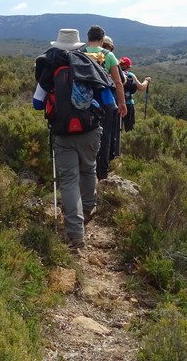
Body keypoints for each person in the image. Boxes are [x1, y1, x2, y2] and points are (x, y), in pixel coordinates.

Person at [33, 29, 117, 250]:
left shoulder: (49, 68)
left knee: (69, 180)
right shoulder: (90, 64)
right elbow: (109, 101)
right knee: (88, 168)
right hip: (89, 129)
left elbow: (37, 103)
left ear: (57, 45)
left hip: (62, 132)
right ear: (78, 45)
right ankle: (89, 207)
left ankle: (75, 234)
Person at [84, 26, 126, 180]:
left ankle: (87, 169)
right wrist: (122, 103)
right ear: (102, 40)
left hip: (84, 102)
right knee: (105, 135)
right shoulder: (108, 55)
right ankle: (102, 173)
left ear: (88, 38)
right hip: (104, 101)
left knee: (85, 134)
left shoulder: (80, 53)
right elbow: (118, 82)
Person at [119, 57, 151, 131]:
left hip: (117, 103)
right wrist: (146, 81)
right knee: (130, 128)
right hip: (128, 104)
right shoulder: (130, 75)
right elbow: (141, 87)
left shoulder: (114, 73)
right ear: (128, 66)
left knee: (117, 128)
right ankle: (128, 139)